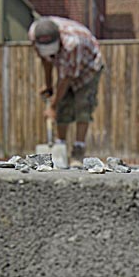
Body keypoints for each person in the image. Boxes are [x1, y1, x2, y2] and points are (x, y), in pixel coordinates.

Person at [28, 16, 104, 167]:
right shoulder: (34, 34)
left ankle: (78, 150)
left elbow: (66, 78)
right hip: (67, 65)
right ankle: (60, 147)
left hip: (88, 66)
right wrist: (49, 86)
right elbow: (46, 60)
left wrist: (52, 107)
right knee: (63, 104)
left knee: (82, 105)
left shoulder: (72, 44)